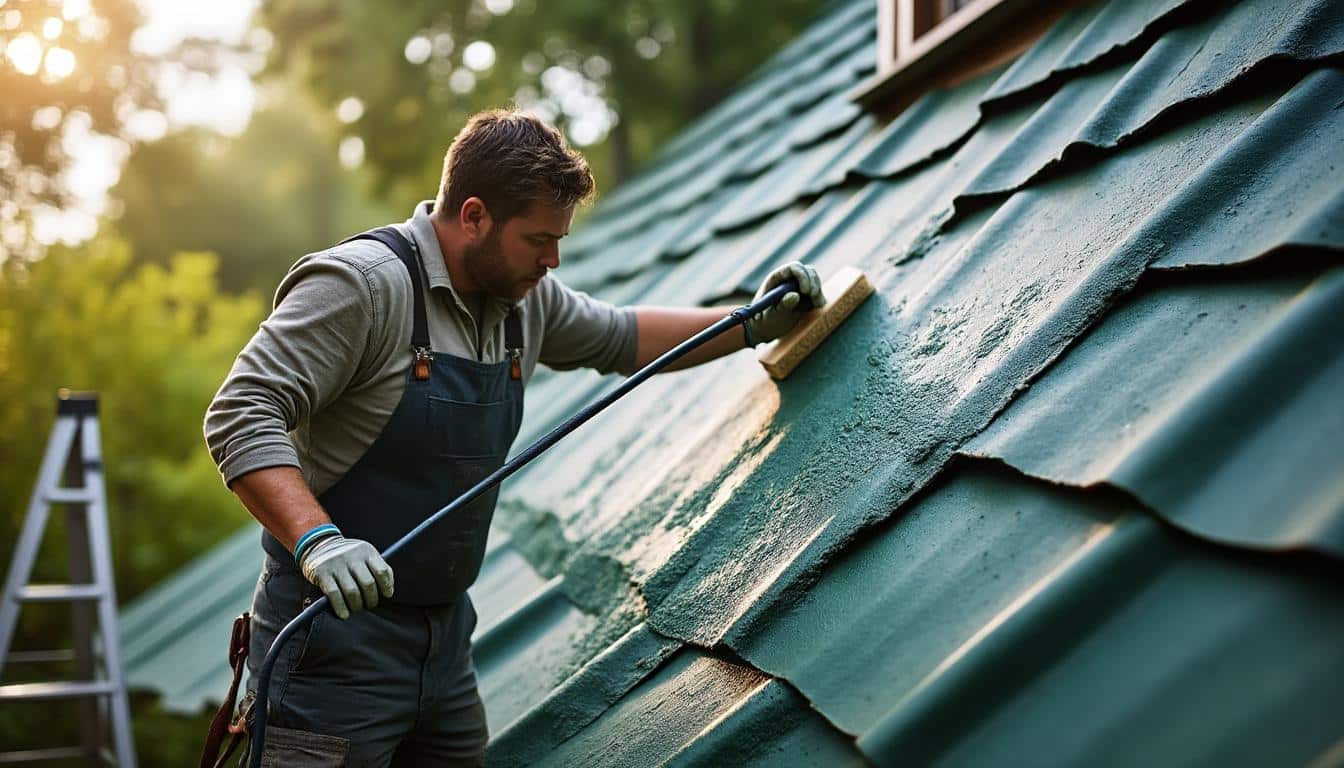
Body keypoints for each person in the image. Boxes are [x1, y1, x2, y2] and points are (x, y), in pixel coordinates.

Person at [203, 108, 824, 767]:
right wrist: (316, 541)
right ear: (473, 216)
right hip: (329, 648)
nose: (553, 260)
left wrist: (751, 321)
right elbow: (241, 410)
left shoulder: (525, 300)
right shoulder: (362, 287)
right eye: (537, 240)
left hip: (445, 645)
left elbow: (625, 336)